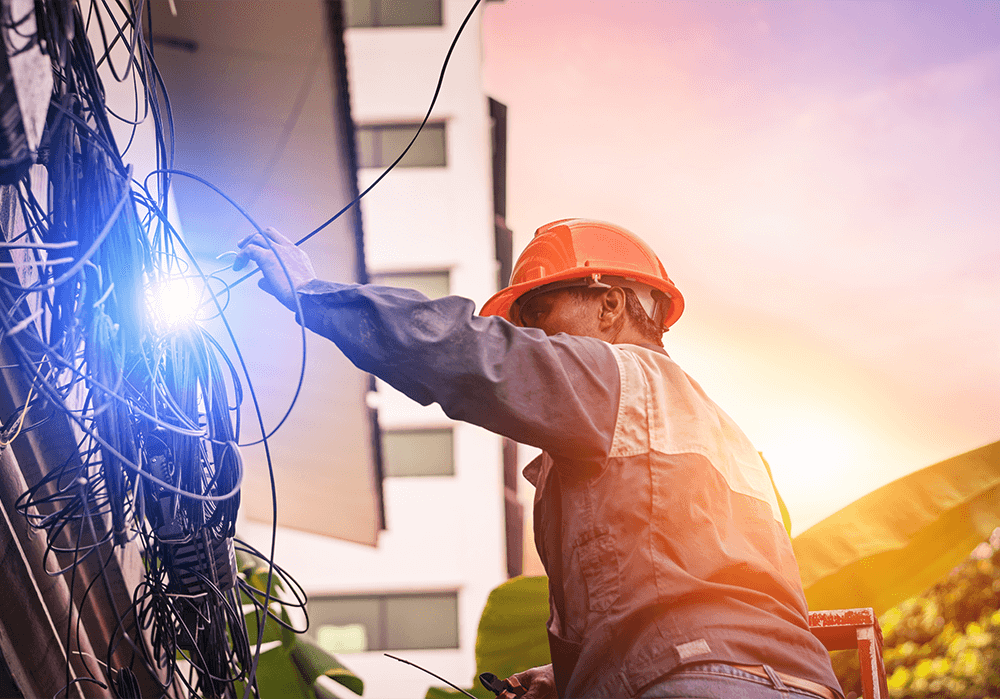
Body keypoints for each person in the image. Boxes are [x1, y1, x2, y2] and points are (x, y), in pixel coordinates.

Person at [233, 219, 843, 699]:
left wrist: (313, 294)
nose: (532, 337)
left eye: (540, 314)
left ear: (610, 307)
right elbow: (696, 584)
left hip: (694, 676)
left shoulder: (620, 381)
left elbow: (469, 355)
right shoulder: (715, 431)